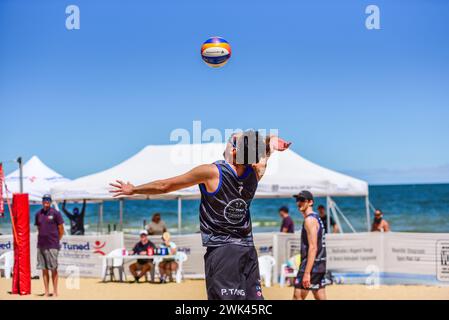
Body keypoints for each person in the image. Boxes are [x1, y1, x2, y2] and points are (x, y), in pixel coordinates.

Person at [110, 131, 291, 300]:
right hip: (247, 249)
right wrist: (271, 144)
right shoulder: (256, 172)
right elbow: (263, 155)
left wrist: (134, 189)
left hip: (221, 250)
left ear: (235, 151)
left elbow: (165, 186)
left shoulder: (211, 172)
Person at [293, 190, 327, 300]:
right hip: (319, 264)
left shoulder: (310, 220)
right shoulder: (316, 217)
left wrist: (307, 273)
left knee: (298, 296)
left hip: (311, 266)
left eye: (302, 200)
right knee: (319, 296)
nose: (299, 203)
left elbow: (313, 247)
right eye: (298, 200)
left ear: (310, 202)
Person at [34, 194, 64, 297]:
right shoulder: (38, 214)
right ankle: (46, 291)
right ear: (42, 201)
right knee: (44, 269)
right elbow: (39, 228)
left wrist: (56, 240)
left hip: (53, 245)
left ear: (50, 202)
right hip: (41, 245)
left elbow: (61, 229)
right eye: (44, 200)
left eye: (48, 200)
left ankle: (55, 291)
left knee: (54, 269)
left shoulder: (56, 213)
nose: (46, 201)